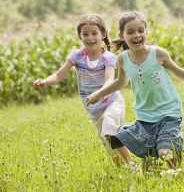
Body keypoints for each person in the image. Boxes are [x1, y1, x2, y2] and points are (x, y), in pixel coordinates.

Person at [85, 11, 184, 170]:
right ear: (122, 36)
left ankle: (176, 167)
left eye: (140, 30)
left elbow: (178, 72)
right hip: (145, 116)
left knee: (165, 152)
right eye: (130, 32)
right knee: (148, 169)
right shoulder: (122, 59)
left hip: (168, 112)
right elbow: (120, 82)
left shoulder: (158, 53)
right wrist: (98, 94)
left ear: (146, 32)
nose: (136, 35)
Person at [32, 14, 133, 166]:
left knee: (109, 131)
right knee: (109, 146)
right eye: (85, 34)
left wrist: (98, 94)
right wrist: (44, 82)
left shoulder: (108, 57)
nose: (90, 37)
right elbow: (58, 76)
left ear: (103, 35)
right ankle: (122, 173)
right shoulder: (77, 56)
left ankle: (132, 166)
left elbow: (109, 81)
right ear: (79, 36)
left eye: (94, 33)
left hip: (112, 103)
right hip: (94, 110)